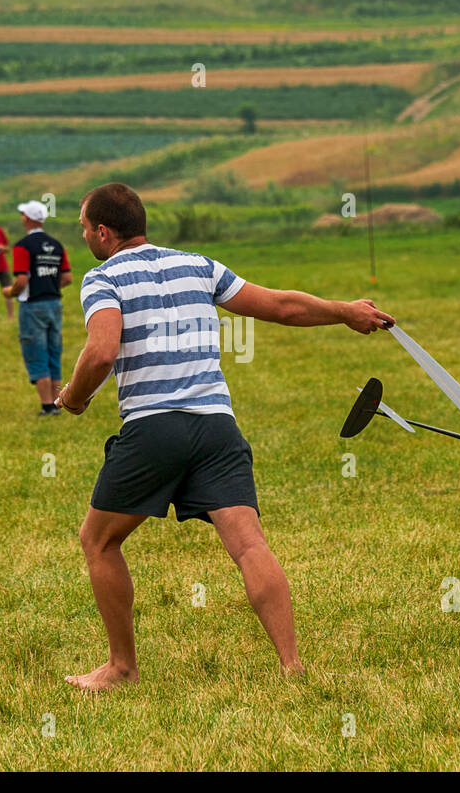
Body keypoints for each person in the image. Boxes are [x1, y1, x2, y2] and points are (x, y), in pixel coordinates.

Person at [55, 182, 392, 692]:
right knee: (249, 544)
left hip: (153, 427)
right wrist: (344, 311)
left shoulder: (102, 278)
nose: (83, 236)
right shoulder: (198, 264)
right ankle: (291, 665)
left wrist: (74, 397)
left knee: (98, 541)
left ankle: (121, 668)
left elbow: (101, 352)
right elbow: (280, 305)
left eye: (83, 228)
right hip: (217, 426)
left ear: (102, 232)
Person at [3, 201, 71, 415]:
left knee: (36, 351)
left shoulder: (22, 246)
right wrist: (49, 285)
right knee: (54, 351)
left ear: (27, 219)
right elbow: (67, 278)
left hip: (32, 306)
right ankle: (57, 403)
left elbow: (22, 281)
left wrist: (10, 292)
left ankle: (46, 406)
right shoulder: (57, 245)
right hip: (55, 303)